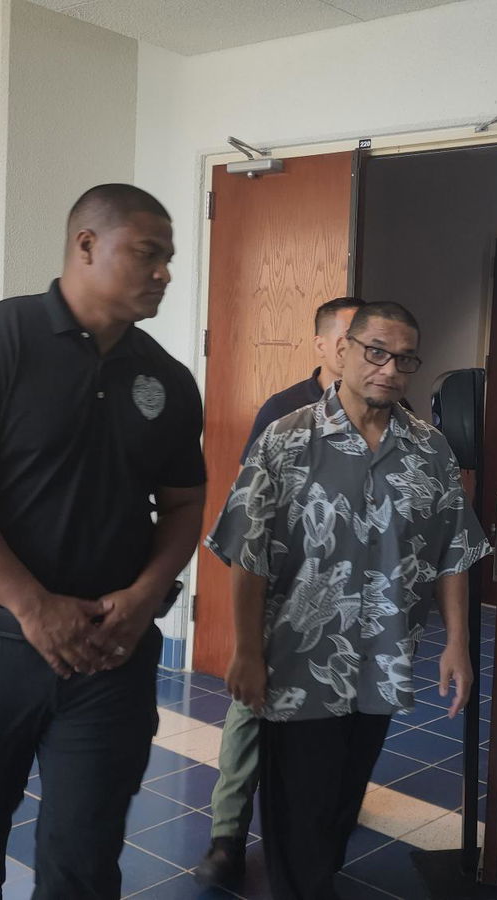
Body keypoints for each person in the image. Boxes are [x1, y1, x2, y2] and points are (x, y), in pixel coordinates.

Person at [0, 184, 207, 899]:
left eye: (169, 258)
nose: (164, 272)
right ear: (86, 245)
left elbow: (185, 503)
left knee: (85, 858)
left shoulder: (164, 377)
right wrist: (33, 606)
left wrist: (145, 594)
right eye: (148, 253)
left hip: (110, 653)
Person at [206, 301, 491, 900]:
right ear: (345, 352)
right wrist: (247, 652)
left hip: (381, 663)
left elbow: (453, 553)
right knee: (296, 807)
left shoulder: (429, 450)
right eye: (376, 352)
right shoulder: (287, 439)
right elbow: (247, 554)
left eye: (404, 358)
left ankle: (316, 880)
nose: (389, 368)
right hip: (298, 664)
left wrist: (458, 645)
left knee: (343, 798)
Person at [196, 295, 363, 888]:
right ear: (321, 344)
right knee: (251, 714)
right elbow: (249, 519)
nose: (358, 352)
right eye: (346, 339)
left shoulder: (393, 412)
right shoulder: (284, 410)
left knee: (338, 726)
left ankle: (323, 833)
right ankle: (228, 837)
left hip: (349, 607)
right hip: (282, 601)